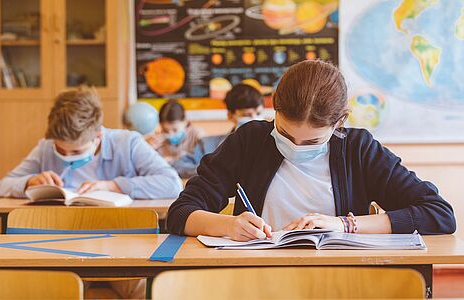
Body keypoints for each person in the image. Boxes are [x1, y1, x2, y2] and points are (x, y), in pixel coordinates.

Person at [167, 60, 456, 241]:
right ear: (274, 107)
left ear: (339, 122)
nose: (295, 147)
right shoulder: (249, 140)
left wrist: (345, 225)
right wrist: (227, 225)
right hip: (255, 278)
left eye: (312, 142)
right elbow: (180, 213)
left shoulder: (358, 149)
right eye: (284, 133)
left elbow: (439, 214)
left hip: (341, 281)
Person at [0, 87, 183, 299]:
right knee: (46, 289)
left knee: (145, 291)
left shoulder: (128, 143)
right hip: (62, 249)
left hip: (124, 250)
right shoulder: (46, 148)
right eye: (61, 151)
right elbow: (2, 185)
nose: (67, 156)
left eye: (76, 152)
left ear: (98, 136)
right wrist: (29, 181)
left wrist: (112, 185)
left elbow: (172, 183)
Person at [198, 83, 265, 155]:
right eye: (246, 115)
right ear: (230, 115)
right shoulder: (207, 145)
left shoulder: (273, 144)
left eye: (258, 113)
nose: (254, 119)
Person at [145, 100, 203, 178]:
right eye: (165, 130)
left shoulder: (198, 136)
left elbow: (203, 165)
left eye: (175, 130)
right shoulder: (157, 141)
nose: (170, 134)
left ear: (185, 121)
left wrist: (174, 160)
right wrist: (148, 149)